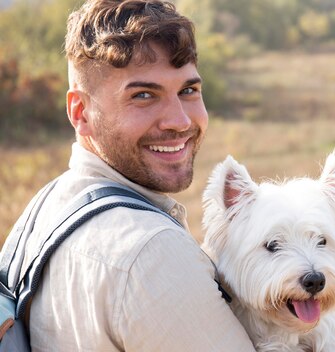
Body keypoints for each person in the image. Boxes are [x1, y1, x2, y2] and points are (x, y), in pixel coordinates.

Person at [16, 0, 256, 350]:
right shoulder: (153, 251)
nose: (180, 121)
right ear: (80, 112)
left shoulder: (44, 207)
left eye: (188, 91)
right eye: (143, 95)